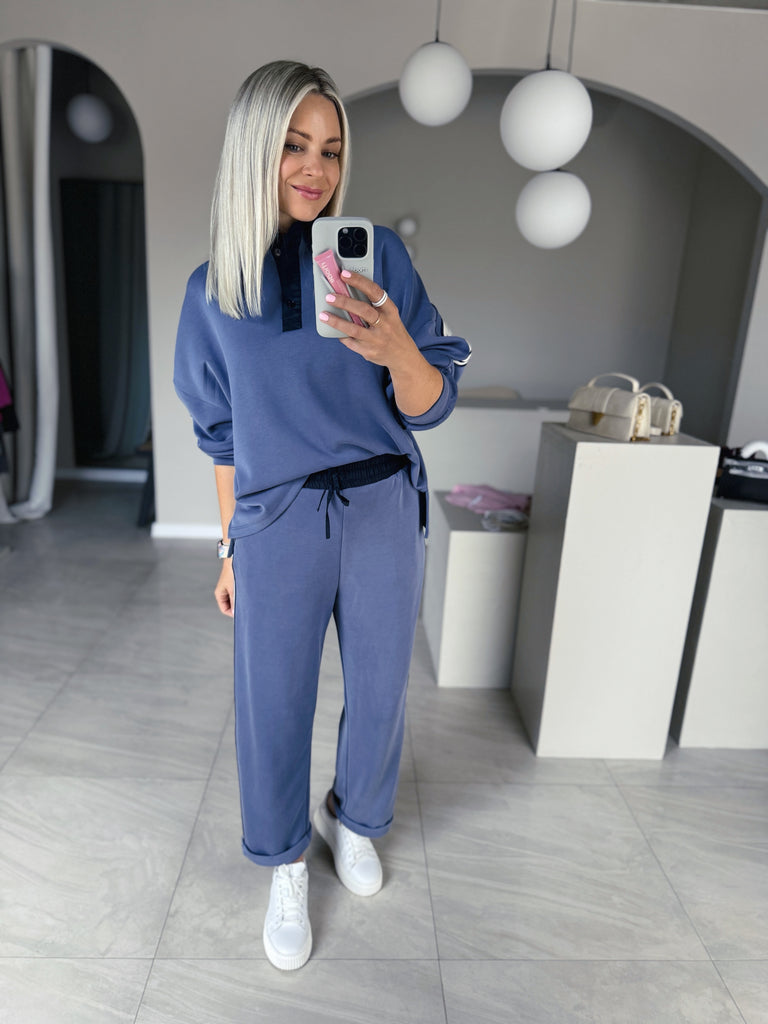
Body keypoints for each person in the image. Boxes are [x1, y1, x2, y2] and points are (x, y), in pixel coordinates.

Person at [174, 60, 471, 971]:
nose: (316, 168)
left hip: (382, 502)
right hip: (276, 521)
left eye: (332, 150)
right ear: (254, 153)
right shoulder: (213, 291)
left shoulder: (378, 257)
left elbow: (433, 403)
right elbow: (222, 437)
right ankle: (284, 861)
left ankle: (357, 819)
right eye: (295, 146)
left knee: (381, 688)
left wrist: (397, 349)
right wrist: (229, 550)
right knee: (272, 700)